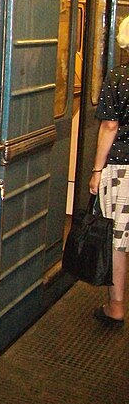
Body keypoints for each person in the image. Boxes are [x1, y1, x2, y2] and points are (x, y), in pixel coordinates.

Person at [88, 17, 129, 326]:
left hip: (121, 168)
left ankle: (116, 306)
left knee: (118, 238)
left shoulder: (120, 77)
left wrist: (96, 169)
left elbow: (109, 125)